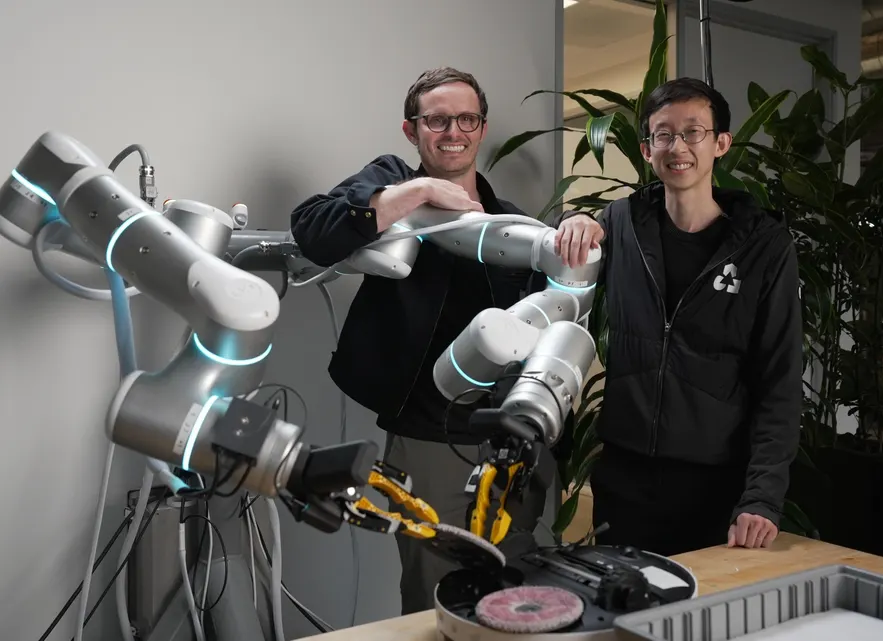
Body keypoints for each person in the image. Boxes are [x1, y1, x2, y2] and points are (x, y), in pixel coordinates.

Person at [290, 67, 552, 614]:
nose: (453, 131)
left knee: (514, 593)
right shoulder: (392, 182)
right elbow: (313, 228)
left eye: (466, 119)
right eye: (437, 120)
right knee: (437, 598)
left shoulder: (514, 224)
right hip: (431, 435)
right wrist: (422, 191)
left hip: (511, 437)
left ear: (482, 128)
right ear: (412, 130)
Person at [553, 77, 802, 555]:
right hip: (625, 475)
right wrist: (571, 221)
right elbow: (556, 263)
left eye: (693, 132)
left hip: (714, 484)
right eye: (664, 134)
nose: (678, 147)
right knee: (622, 600)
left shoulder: (764, 246)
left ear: (721, 144)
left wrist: (762, 497)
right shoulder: (621, 223)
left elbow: (780, 381)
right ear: (647, 149)